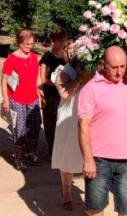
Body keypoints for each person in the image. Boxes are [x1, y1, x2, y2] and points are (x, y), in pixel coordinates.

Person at [78, 46, 127, 216]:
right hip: (99, 161)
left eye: (123, 66)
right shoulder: (90, 89)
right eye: (114, 67)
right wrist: (88, 159)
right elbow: (83, 127)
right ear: (103, 65)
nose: (119, 72)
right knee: (95, 210)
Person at [1, 28, 41, 171]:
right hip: (16, 99)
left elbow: (35, 78)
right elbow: (4, 81)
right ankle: (18, 158)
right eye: (26, 44)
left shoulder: (34, 57)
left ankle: (30, 152)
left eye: (31, 44)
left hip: (32, 98)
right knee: (20, 128)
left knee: (36, 124)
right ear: (19, 42)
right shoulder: (11, 59)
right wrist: (6, 100)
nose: (29, 47)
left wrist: (39, 93)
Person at [51, 42, 83, 211]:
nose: (72, 52)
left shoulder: (92, 70)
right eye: (70, 49)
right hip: (68, 117)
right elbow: (64, 93)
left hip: (86, 115)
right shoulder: (63, 72)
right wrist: (79, 78)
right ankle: (66, 192)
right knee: (67, 154)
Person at [39, 28, 67, 158]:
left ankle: (61, 150)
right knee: (51, 122)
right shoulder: (47, 57)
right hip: (51, 95)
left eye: (63, 40)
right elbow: (43, 79)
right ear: (53, 41)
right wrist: (56, 82)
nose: (61, 43)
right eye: (59, 41)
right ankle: (52, 150)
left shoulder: (67, 56)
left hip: (65, 95)